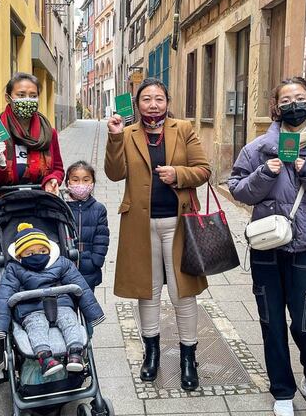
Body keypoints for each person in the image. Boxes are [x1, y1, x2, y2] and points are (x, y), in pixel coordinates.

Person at [228, 77, 306, 416]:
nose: (294, 104)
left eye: (301, 97)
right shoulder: (258, 148)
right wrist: (265, 172)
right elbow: (238, 189)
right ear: (276, 107)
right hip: (267, 246)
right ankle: (282, 390)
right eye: (287, 99)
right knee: (271, 320)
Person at [104, 78, 211, 391]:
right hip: (140, 226)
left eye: (159, 99)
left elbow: (204, 170)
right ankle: (151, 354)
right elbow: (114, 174)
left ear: (167, 101)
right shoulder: (126, 133)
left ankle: (188, 358)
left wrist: (178, 174)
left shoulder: (184, 129)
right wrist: (113, 140)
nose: (153, 104)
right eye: (146, 99)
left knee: (183, 292)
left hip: (179, 224)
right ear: (137, 105)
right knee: (147, 291)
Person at [0, 223, 105, 375]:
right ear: (19, 256)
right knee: (36, 328)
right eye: (30, 254)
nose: (37, 255)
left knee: (70, 321)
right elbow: (3, 295)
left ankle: (75, 354)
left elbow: (81, 286)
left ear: (49, 249)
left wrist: (94, 314)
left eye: (42, 251)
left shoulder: (61, 263)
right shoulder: (14, 269)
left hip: (61, 304)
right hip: (32, 309)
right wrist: (0, 326)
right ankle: (46, 359)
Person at [0, 72, 64, 195]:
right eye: (21, 95)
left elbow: (58, 169)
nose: (27, 100)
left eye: (33, 96)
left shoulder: (48, 132)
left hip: (40, 205)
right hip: (5, 206)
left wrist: (52, 179)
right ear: (8, 98)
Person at [64, 161, 109, 292]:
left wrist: (95, 261)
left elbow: (102, 239)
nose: (80, 184)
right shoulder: (62, 207)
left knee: (88, 304)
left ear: (92, 183)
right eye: (75, 180)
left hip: (89, 266)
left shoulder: (98, 209)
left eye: (85, 180)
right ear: (68, 182)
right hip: (66, 266)